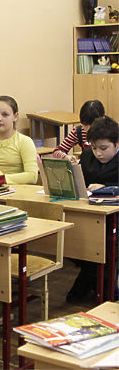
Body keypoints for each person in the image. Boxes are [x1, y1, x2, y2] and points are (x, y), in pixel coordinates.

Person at [67, 116, 119, 303]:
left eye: (104, 148)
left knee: (106, 245)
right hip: (88, 212)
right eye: (94, 147)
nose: (98, 153)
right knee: (73, 239)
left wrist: (106, 189)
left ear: (116, 143)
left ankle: (93, 281)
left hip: (114, 218)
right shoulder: (88, 156)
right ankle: (92, 277)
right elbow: (80, 182)